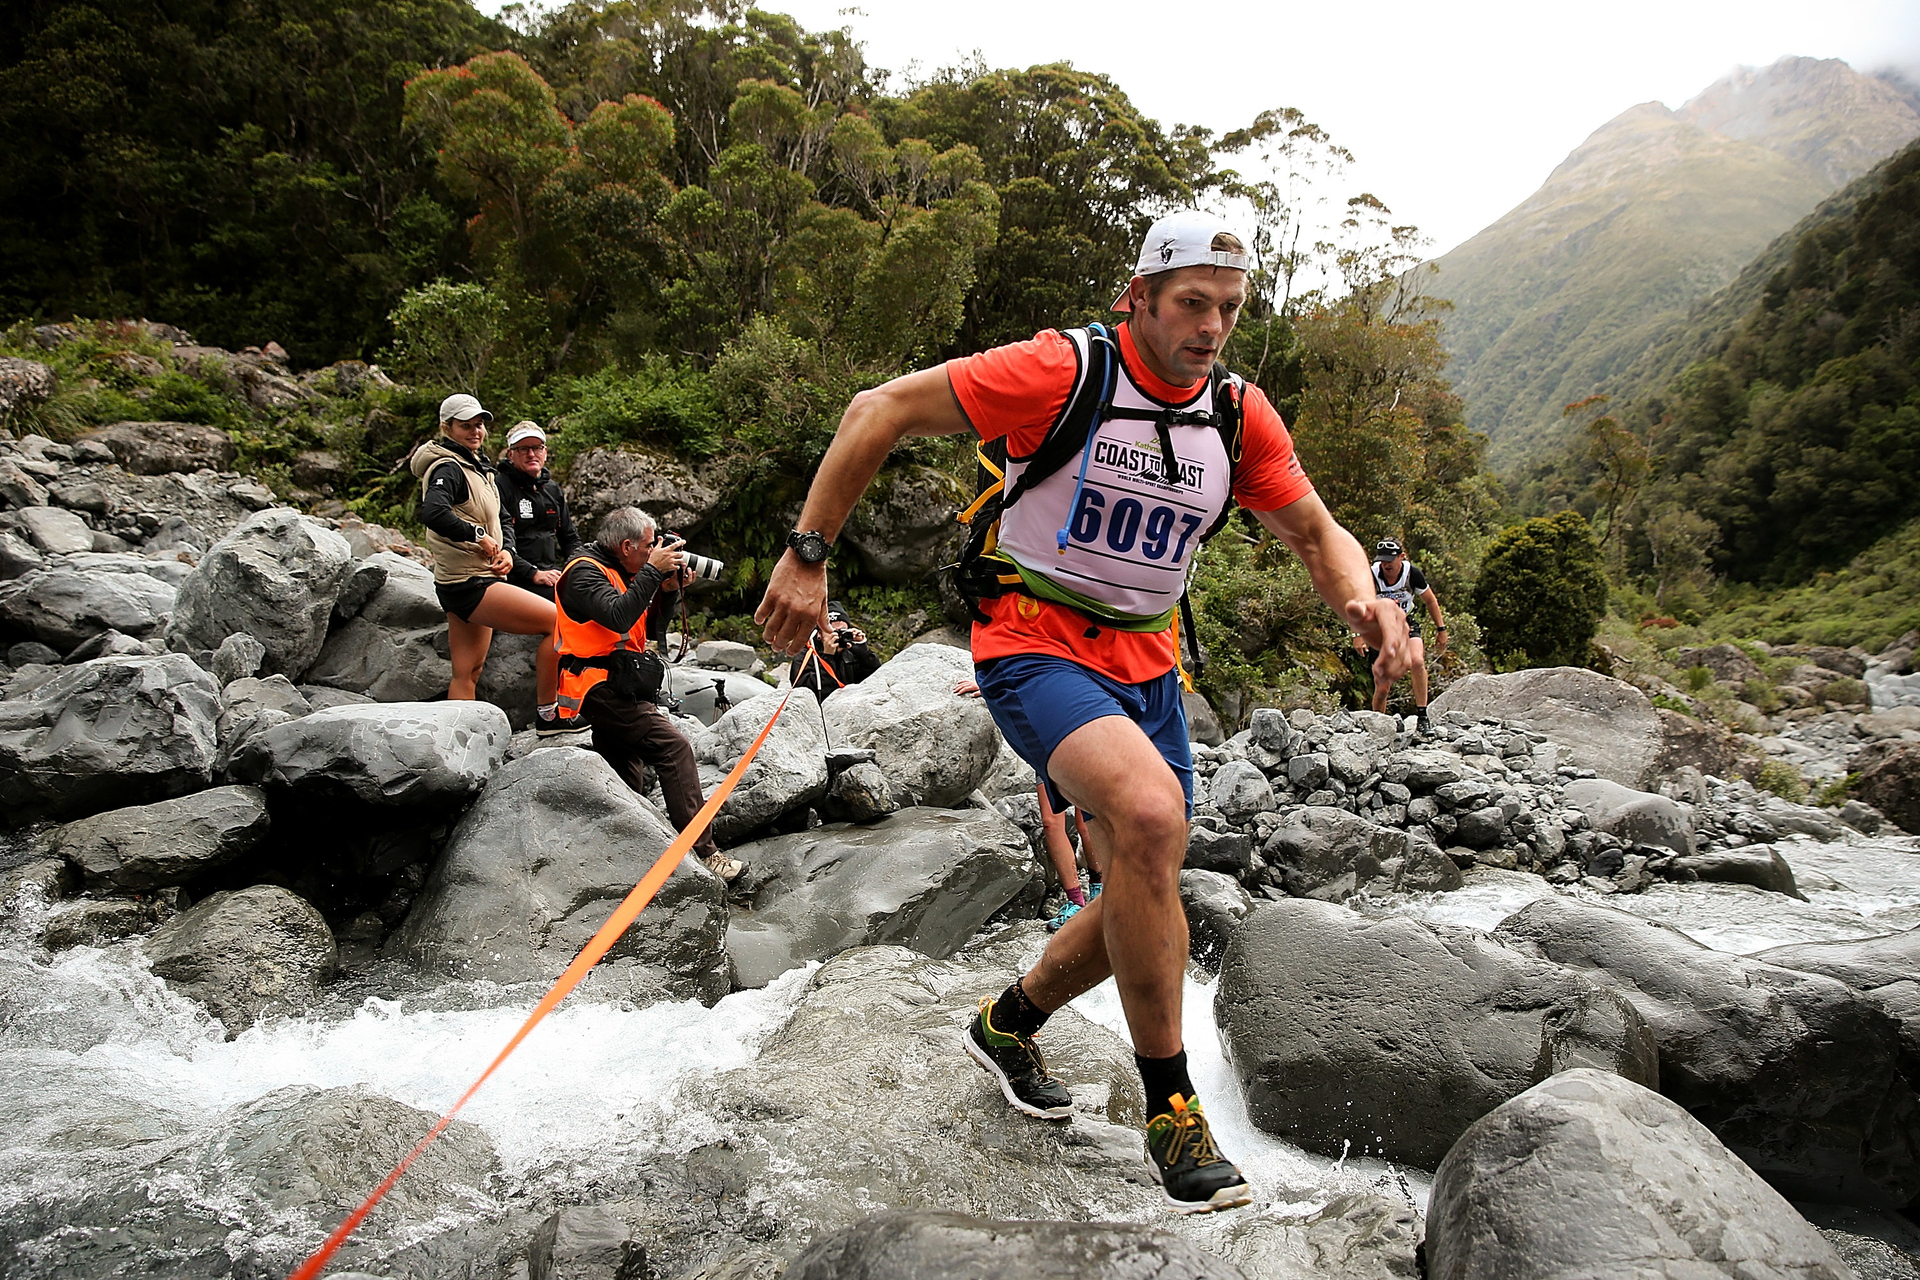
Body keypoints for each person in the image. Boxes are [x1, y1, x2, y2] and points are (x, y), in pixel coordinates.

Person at [754, 209, 1411, 1214]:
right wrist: (808, 555)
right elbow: (873, 409)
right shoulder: (1061, 371)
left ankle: (1009, 1022)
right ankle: (1173, 1106)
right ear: (1136, 297)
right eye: (1191, 303)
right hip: (1031, 642)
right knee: (1151, 822)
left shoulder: (1237, 414)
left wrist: (1364, 601)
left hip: (1148, 668)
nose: (1211, 326)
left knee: (1142, 889)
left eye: (1229, 308)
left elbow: (1317, 532)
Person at [555, 505, 745, 883]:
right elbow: (618, 616)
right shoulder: (582, 574)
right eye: (648, 545)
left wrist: (668, 589)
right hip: (596, 685)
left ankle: (625, 854)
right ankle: (704, 853)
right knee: (674, 748)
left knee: (624, 769)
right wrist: (653, 572)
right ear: (626, 546)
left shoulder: (625, 570)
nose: (654, 550)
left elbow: (651, 624)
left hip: (621, 682)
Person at [409, 394, 562, 728]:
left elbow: (504, 518)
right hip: (470, 581)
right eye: (466, 426)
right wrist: (477, 534)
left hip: (464, 581)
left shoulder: (479, 469)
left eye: (479, 424)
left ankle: (453, 739)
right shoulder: (447, 467)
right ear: (446, 427)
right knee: (557, 624)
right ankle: (549, 714)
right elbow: (433, 512)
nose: (475, 431)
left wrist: (507, 551)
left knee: (467, 672)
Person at [1351, 538, 1447, 729]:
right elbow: (1357, 604)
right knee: (1383, 687)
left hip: (1406, 623)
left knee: (1417, 661)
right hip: (1379, 629)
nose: (1386, 564)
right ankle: (1376, 725)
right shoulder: (1371, 575)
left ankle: (1422, 716)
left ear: (1401, 557)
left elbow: (1430, 601)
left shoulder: (1412, 574)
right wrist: (1357, 635)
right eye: (1383, 560)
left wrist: (1441, 629)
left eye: (1391, 559)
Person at [495, 421, 582, 598]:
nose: (531, 454)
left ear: (545, 452)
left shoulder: (552, 489)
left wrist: (579, 567)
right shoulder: (498, 487)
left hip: (550, 572)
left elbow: (569, 537)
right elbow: (499, 544)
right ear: (510, 454)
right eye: (523, 449)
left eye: (537, 448)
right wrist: (533, 573)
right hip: (514, 576)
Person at [791, 604, 881, 701]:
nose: (838, 636)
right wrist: (828, 657)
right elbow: (806, 695)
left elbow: (876, 682)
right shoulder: (805, 655)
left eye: (842, 631)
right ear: (819, 634)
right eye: (832, 632)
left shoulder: (852, 652)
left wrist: (863, 651)